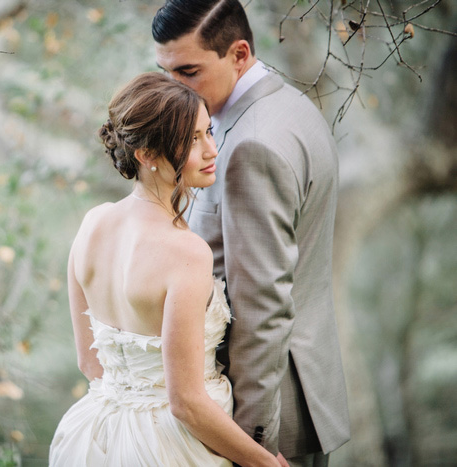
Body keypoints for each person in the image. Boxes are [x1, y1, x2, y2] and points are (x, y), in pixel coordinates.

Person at [152, 1, 351, 466]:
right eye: (165, 73)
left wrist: (251, 444)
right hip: (300, 391)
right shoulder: (288, 105)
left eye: (188, 72)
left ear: (239, 54)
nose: (174, 90)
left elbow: (262, 307)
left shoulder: (252, 146)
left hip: (268, 416)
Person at [49, 72, 280, 466]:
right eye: (192, 139)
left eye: (209, 131)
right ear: (146, 155)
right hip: (170, 448)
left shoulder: (92, 224)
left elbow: (89, 363)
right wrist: (264, 463)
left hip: (94, 439)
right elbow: (186, 403)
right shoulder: (186, 252)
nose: (211, 150)